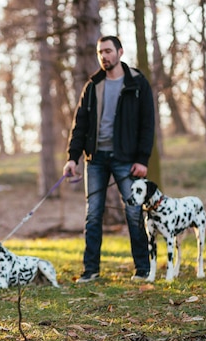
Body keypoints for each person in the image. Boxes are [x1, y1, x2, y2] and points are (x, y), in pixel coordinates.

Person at [63, 35, 154, 284]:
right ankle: (90, 270)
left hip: (127, 159)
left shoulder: (137, 83)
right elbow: (79, 125)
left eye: (108, 51)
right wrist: (73, 158)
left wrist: (142, 159)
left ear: (120, 52)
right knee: (93, 215)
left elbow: (148, 124)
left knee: (134, 212)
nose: (104, 56)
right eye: (100, 52)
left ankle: (143, 269)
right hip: (96, 160)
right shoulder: (93, 86)